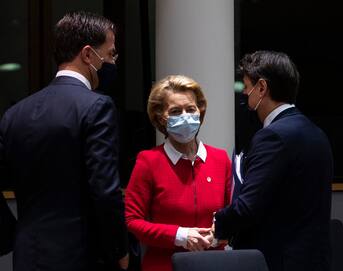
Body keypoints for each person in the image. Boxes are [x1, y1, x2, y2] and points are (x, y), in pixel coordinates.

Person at [0, 11, 129, 271]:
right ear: (88, 54)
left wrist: (12, 234)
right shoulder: (97, 106)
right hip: (81, 255)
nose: (113, 61)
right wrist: (119, 249)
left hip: (27, 254)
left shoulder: (14, 114)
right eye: (111, 53)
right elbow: (104, 190)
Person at [214, 51, 333, 271]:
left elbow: (247, 207)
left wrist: (217, 225)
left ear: (261, 88)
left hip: (278, 260)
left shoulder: (273, 136)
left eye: (246, 87)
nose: (245, 95)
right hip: (313, 259)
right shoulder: (316, 132)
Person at [125, 75, 232, 271]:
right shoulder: (148, 161)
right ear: (161, 118)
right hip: (165, 265)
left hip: (213, 263)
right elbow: (132, 220)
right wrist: (180, 236)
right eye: (175, 111)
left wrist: (216, 236)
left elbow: (232, 214)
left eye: (190, 109)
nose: (185, 116)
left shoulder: (220, 159)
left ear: (200, 111)